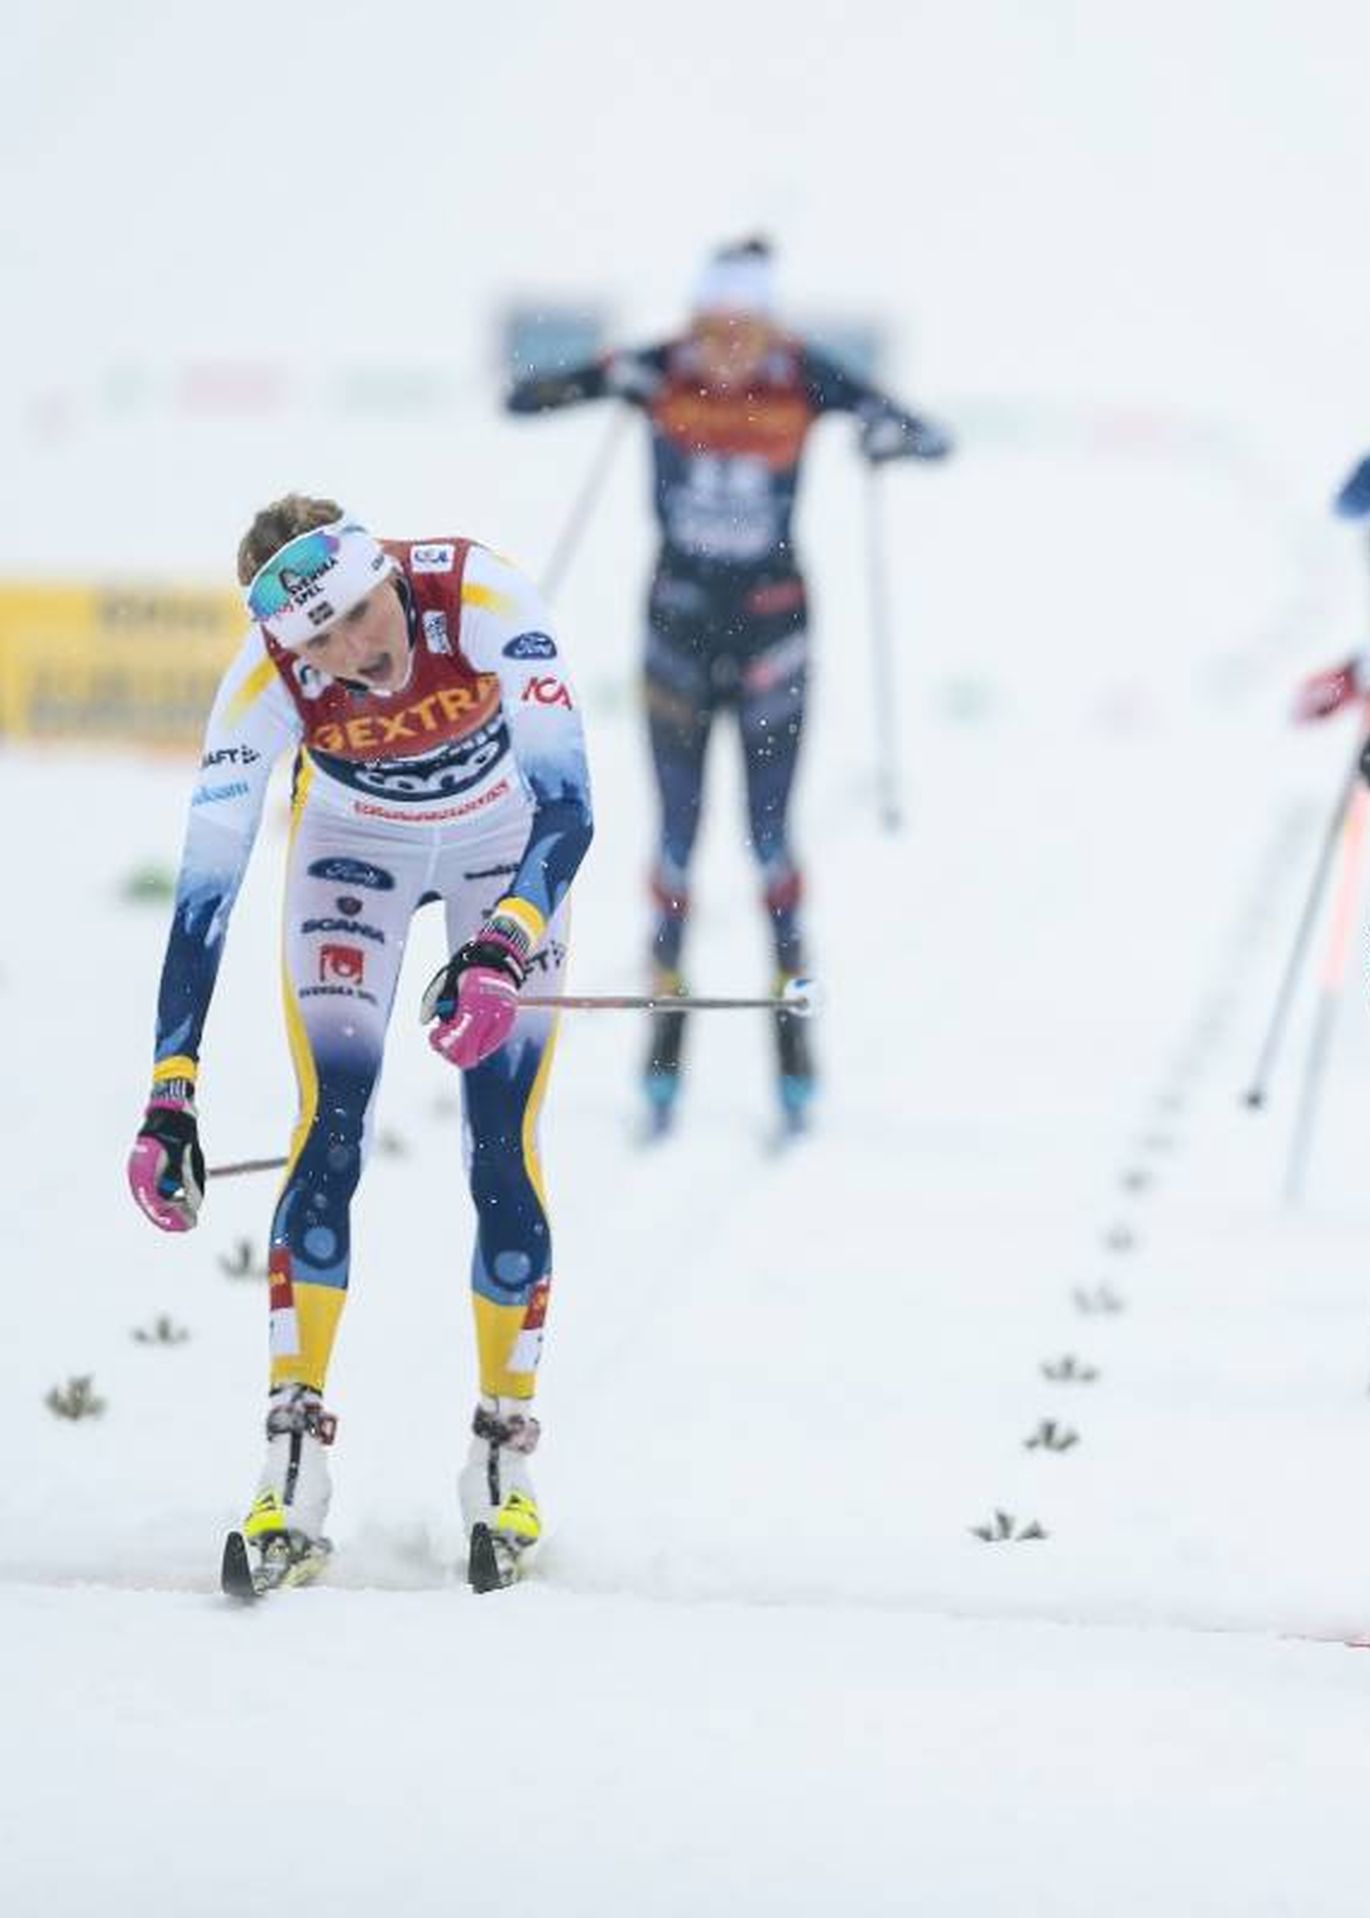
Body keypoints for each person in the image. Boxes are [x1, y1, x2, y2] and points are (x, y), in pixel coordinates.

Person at [126, 496, 594, 1595]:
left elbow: (571, 808)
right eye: (315, 642)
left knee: (499, 1142)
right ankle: (293, 1460)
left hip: (503, 842)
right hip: (354, 853)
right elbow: (208, 889)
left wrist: (504, 944)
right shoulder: (263, 678)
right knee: (329, 1131)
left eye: (357, 616)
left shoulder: (477, 594)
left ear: (390, 574)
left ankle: (500, 1454)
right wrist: (169, 1093)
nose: (351, 653)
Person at [504, 235, 950, 1136]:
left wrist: (886, 436)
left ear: (770, 323)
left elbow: (933, 436)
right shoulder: (658, 367)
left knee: (769, 844)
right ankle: (665, 1038)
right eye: (714, 327)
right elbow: (525, 399)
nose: (728, 348)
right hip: (675, 632)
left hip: (776, 636)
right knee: (675, 843)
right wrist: (605, 383)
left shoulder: (803, 375)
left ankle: (793, 1031)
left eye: (744, 328)